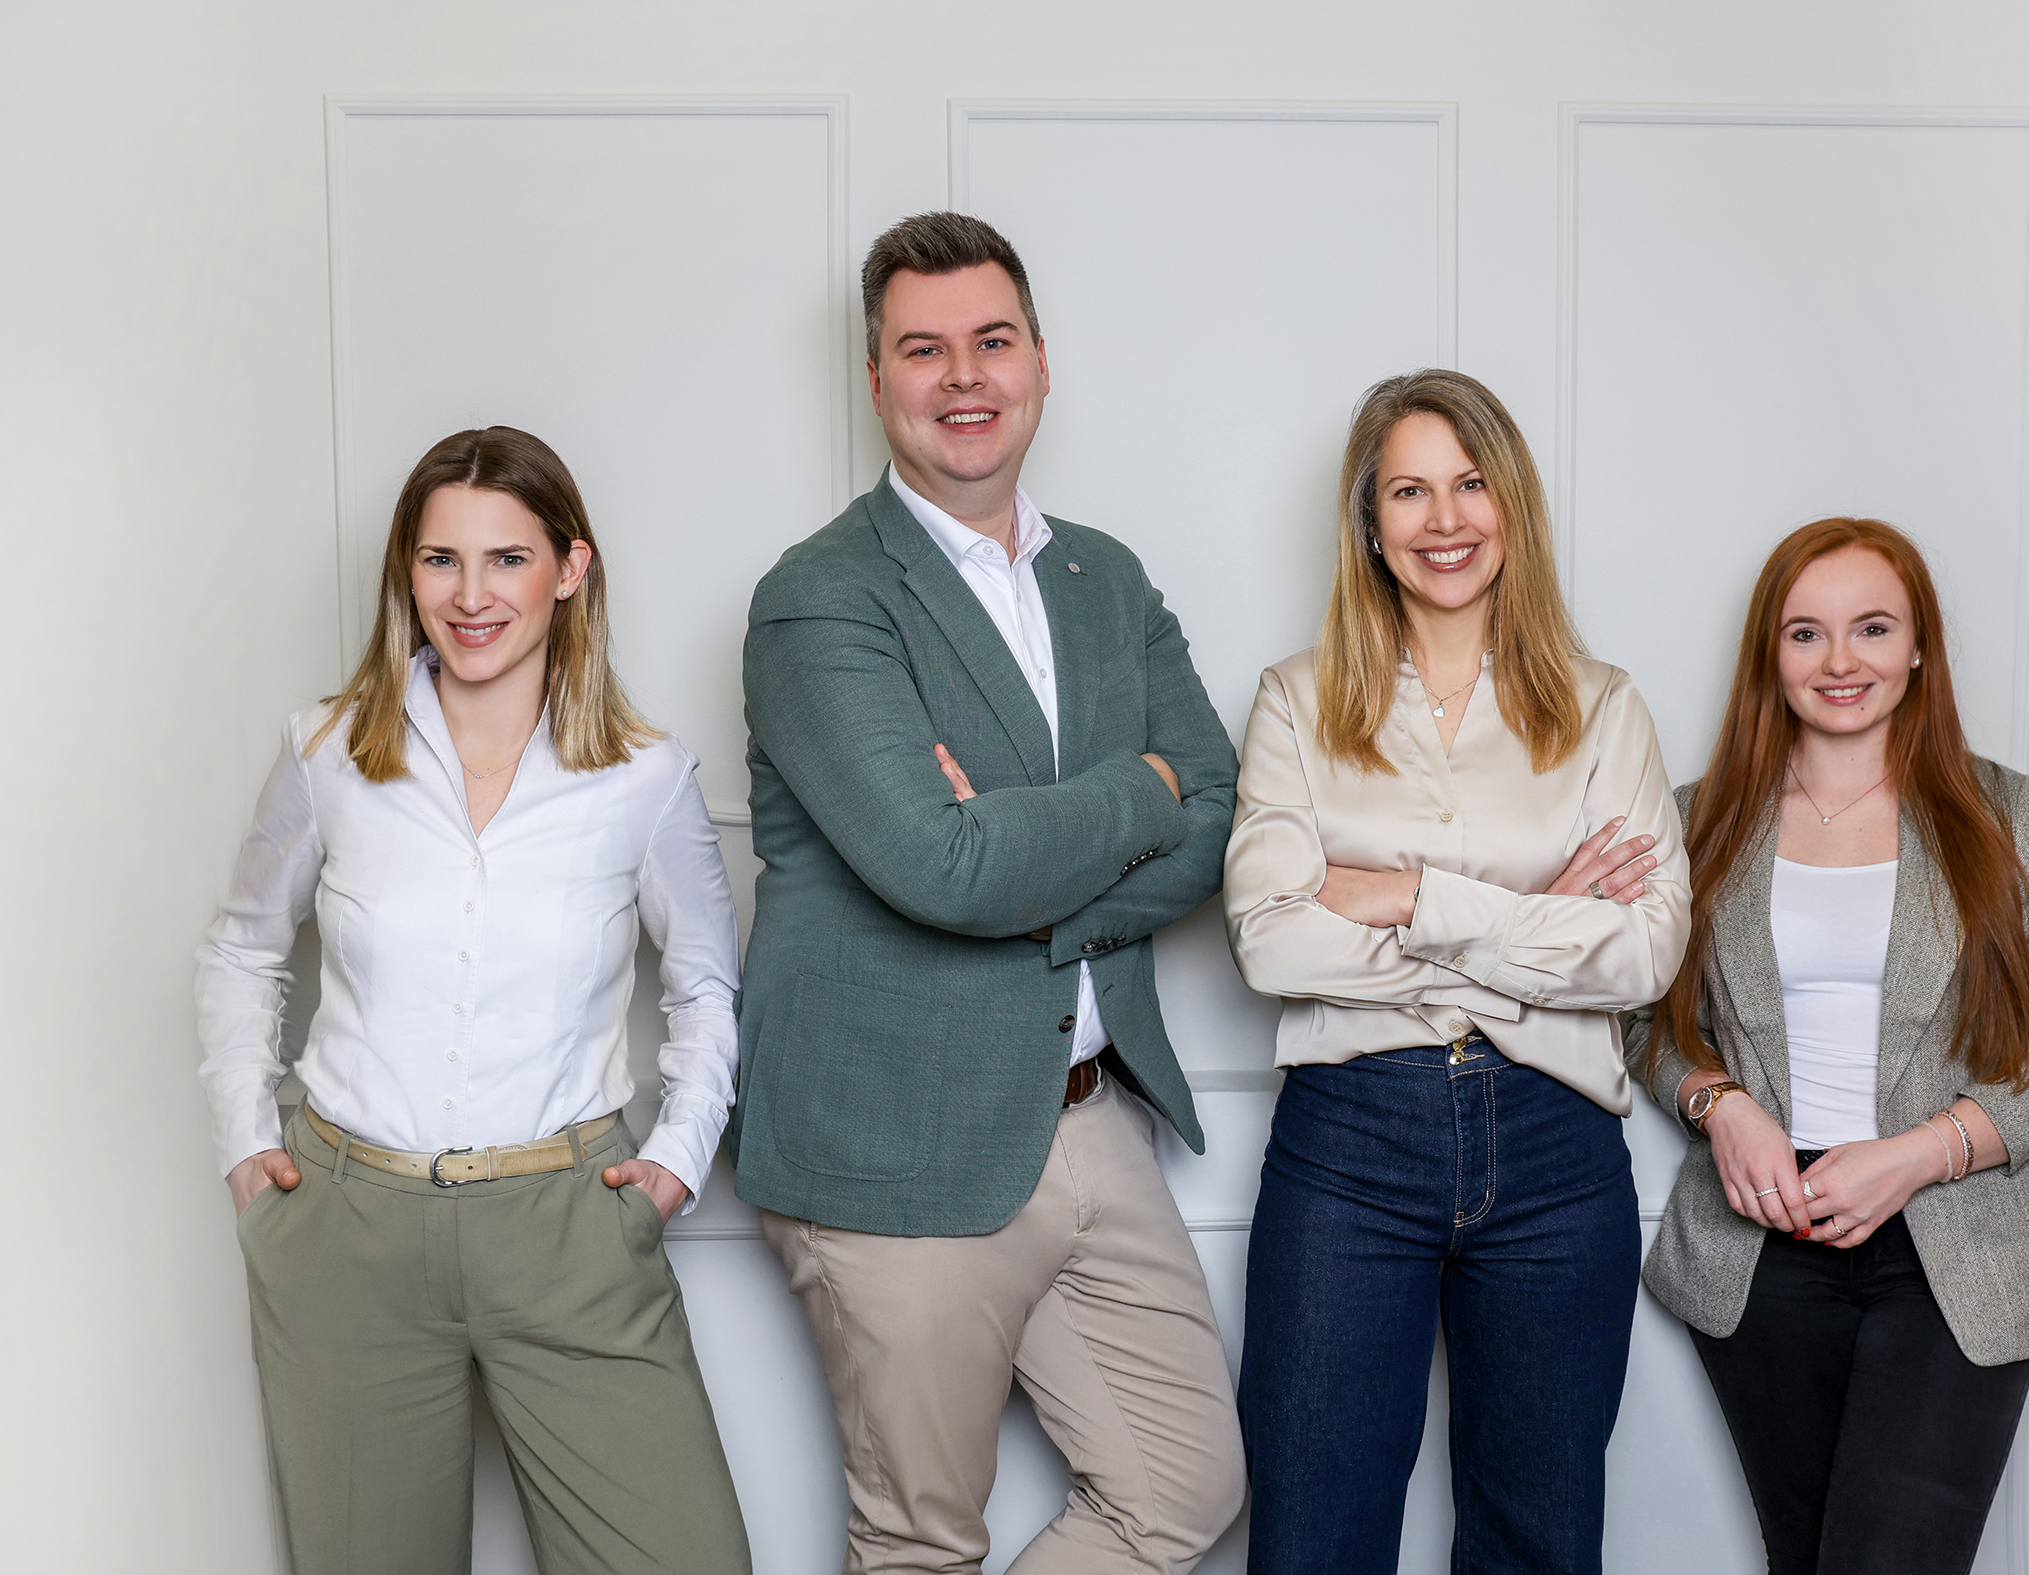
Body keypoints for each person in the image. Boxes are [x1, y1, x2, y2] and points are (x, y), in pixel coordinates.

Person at [731, 211, 1247, 1574]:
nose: (963, 376)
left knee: (1180, 1488)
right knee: (918, 1541)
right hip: (889, 1144)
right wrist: (1132, 791)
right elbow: (939, 862)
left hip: (1085, 1120)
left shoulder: (1106, 577)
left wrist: (1029, 873)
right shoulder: (817, 600)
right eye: (923, 348)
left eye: (991, 340)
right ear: (874, 376)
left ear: (1039, 363)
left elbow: (1217, 816)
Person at [195, 427, 752, 1574]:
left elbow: (704, 983)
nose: (472, 594)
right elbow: (245, 948)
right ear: (408, 572)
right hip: (348, 1227)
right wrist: (247, 1143)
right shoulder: (329, 752)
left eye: (507, 559)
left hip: (568, 1225)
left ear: (570, 568)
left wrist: (680, 1158)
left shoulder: (643, 778)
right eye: (441, 559)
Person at [1222, 368, 1692, 1574]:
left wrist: (1411, 897)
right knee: (1313, 1540)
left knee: (1537, 1541)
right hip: (1349, 1145)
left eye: (1470, 484)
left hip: (1554, 1150)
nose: (1444, 519)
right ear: (1369, 526)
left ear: (1511, 505)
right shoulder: (1296, 700)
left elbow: (1642, 955)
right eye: (1410, 492)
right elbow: (1272, 941)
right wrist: (1536, 925)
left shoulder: (1603, 709)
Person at [1627, 517, 2029, 1575]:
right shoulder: (1697, 820)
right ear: (1771, 653)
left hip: (1956, 1251)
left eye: (1871, 629)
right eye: (1806, 633)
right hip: (1760, 1254)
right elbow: (1641, 1023)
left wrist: (1919, 1152)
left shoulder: (2003, 814)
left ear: (1918, 651)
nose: (1840, 662)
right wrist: (1720, 1105)